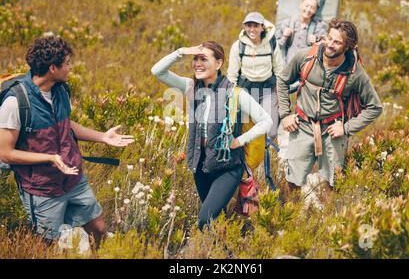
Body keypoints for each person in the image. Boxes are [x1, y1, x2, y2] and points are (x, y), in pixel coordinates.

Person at [0, 36, 134, 246]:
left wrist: (102, 137)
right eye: (67, 64)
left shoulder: (60, 90)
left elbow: (65, 125)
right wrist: (50, 158)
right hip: (42, 189)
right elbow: (5, 153)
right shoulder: (15, 102)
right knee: (48, 245)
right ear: (53, 68)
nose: (70, 68)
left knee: (98, 228)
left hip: (73, 178)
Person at [151, 41, 272, 230]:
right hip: (201, 165)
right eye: (196, 59)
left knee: (204, 219)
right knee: (216, 220)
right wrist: (181, 51)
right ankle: (228, 250)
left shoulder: (235, 93)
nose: (198, 63)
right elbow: (158, 71)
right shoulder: (191, 87)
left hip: (228, 167)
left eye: (204, 59)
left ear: (218, 63)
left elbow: (266, 121)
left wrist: (239, 140)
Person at [276, 18, 383, 198]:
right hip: (302, 126)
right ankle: (290, 220)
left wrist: (346, 128)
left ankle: (326, 223)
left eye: (337, 42)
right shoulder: (305, 57)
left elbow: (375, 107)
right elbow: (282, 80)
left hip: (333, 131)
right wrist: (285, 114)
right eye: (329, 38)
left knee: (332, 184)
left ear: (348, 46)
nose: (330, 45)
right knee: (292, 181)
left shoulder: (355, 73)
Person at [227, 12, 284, 140]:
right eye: (249, 25)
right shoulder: (238, 46)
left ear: (262, 27)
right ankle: (246, 157)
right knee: (241, 129)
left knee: (270, 130)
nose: (252, 29)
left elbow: (279, 70)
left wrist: (281, 94)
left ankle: (265, 152)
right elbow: (232, 75)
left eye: (256, 26)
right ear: (244, 27)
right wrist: (231, 97)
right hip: (245, 90)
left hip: (268, 89)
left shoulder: (272, 43)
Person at [276, 0, 328, 65]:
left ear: (315, 11)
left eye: (312, 7)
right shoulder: (287, 24)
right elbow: (276, 47)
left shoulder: (318, 28)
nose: (308, 10)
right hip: (288, 66)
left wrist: (316, 43)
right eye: (306, 6)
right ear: (301, 5)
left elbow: (326, 49)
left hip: (306, 68)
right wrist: (284, 37)